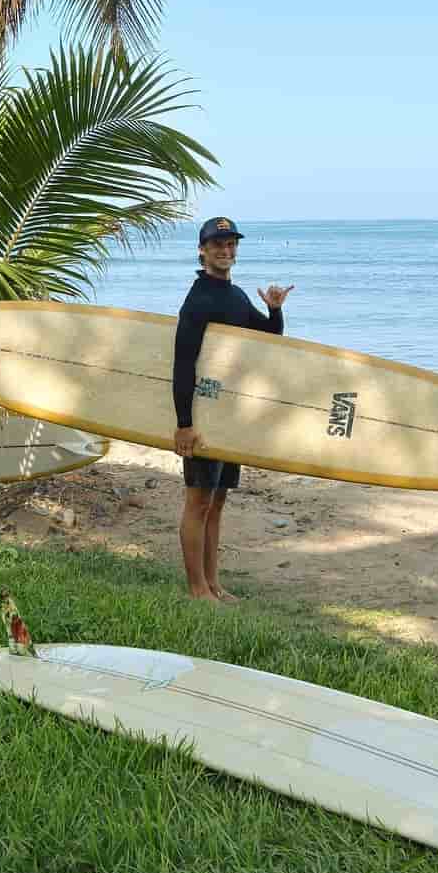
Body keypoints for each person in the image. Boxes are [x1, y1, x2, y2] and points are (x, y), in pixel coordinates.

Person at [173, 216, 293, 602]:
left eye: (231, 244)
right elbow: (183, 363)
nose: (225, 250)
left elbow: (267, 336)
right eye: (217, 244)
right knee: (198, 501)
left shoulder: (235, 295)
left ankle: (214, 584)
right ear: (202, 250)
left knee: (217, 501)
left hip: (228, 414)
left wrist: (274, 310)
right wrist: (185, 423)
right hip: (203, 413)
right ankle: (197, 590)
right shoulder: (198, 300)